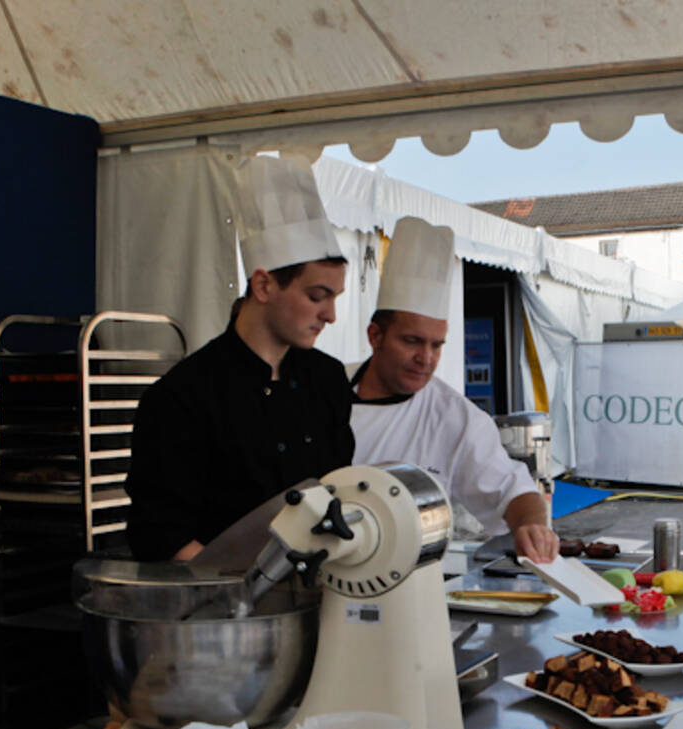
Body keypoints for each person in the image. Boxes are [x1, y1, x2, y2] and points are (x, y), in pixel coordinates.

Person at [127, 157, 355, 562]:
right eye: (317, 297)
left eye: (335, 298)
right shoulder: (182, 396)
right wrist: (249, 588)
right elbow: (161, 532)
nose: (330, 315)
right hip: (225, 597)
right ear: (263, 285)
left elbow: (342, 493)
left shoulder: (328, 379)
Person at [347, 216, 558, 563]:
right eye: (411, 341)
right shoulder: (323, 391)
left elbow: (514, 490)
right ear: (375, 336)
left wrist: (532, 526)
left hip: (412, 581)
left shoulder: (454, 417)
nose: (425, 358)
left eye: (436, 345)